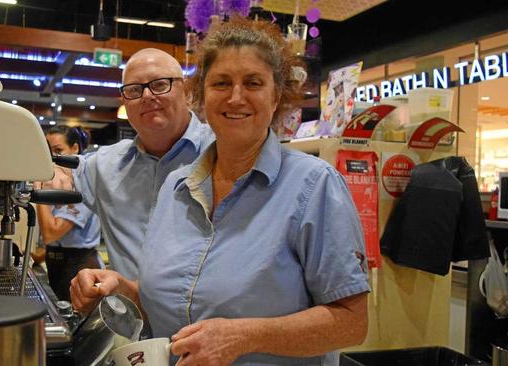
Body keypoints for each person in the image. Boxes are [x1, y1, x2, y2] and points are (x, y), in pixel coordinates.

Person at [71, 17, 369, 366]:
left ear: (276, 97)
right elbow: (174, 304)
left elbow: (351, 322)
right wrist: (123, 289)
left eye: (253, 83)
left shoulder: (313, 186)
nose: (236, 97)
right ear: (200, 96)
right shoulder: (176, 186)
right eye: (221, 83)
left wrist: (244, 337)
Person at [66, 48, 215, 279]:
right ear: (125, 101)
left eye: (159, 84)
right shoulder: (104, 167)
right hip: (128, 313)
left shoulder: (223, 153)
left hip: (208, 314)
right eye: (134, 90)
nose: (147, 96)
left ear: (187, 91)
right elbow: (57, 173)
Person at [34, 125, 102, 302]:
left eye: (58, 150)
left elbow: (51, 233)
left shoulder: (80, 186)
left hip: (80, 265)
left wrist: (39, 187)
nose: (53, 157)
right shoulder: (57, 182)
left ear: (75, 149)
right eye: (49, 151)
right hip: (56, 262)